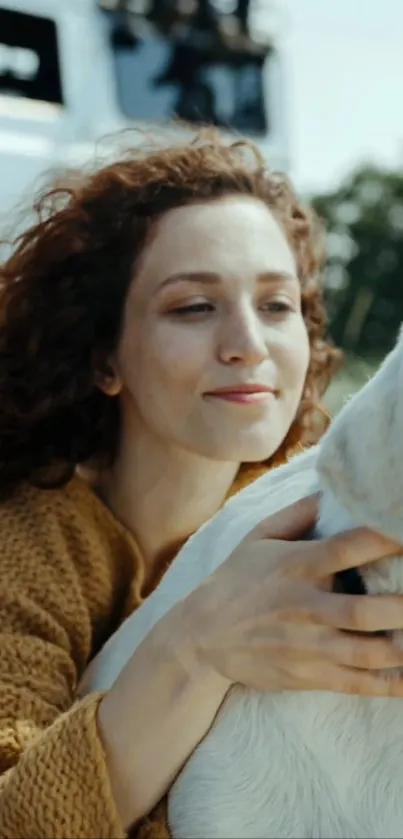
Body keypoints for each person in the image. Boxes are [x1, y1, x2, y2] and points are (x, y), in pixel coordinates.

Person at [0, 129, 403, 839]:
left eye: (277, 305)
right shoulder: (22, 547)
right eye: (193, 307)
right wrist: (195, 643)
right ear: (102, 360)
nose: (247, 341)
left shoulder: (329, 509)